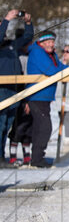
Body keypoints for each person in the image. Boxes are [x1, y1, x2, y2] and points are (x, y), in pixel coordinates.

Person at [26, 30, 69, 168]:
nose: (51, 44)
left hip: (44, 97)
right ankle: (37, 160)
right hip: (37, 95)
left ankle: (36, 158)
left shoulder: (50, 54)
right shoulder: (37, 52)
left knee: (41, 127)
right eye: (47, 42)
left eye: (52, 42)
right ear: (41, 42)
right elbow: (50, 70)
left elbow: (60, 67)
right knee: (45, 127)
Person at [0, 10, 33, 163]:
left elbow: (27, 37)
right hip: (1, 89)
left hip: (13, 89)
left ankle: (2, 155)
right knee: (0, 124)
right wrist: (7, 20)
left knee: (8, 125)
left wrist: (28, 22)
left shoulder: (11, 44)